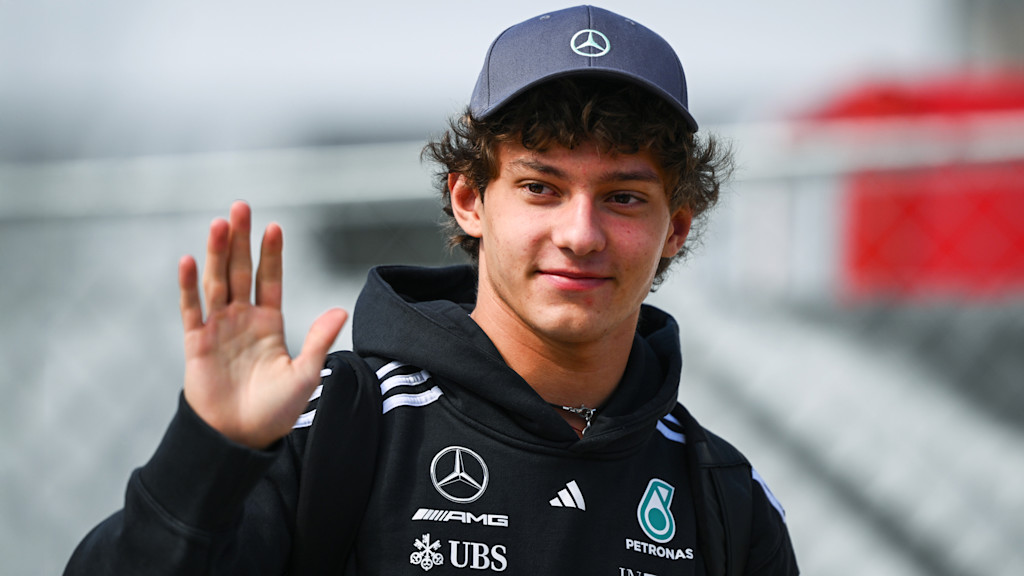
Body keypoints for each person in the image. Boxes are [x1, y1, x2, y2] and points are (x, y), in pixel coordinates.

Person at [65, 5, 798, 575]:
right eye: (540, 188)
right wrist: (207, 453)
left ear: (676, 228)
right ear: (469, 201)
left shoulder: (723, 497)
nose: (580, 234)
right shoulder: (332, 429)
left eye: (624, 197)